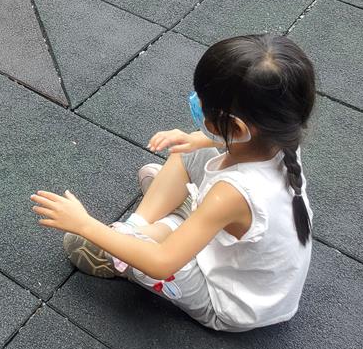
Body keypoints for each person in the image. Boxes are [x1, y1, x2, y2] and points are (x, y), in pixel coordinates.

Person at [32, 34, 316, 332]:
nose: (196, 102)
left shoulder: (230, 195)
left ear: (236, 127)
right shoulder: (281, 134)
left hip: (227, 303)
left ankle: (127, 250)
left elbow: (161, 263)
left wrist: (85, 224)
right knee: (187, 151)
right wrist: (198, 139)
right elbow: (234, 143)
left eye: (203, 103)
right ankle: (143, 226)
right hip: (240, 259)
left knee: (146, 261)